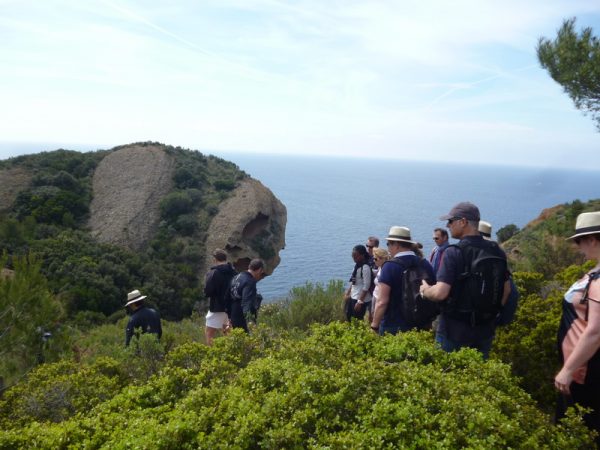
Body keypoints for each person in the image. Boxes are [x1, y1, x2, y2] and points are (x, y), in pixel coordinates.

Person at [420, 202, 511, 359]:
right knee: (477, 377)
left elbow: (441, 293)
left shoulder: (454, 252)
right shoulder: (497, 251)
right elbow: (507, 290)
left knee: (445, 376)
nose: (448, 225)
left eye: (450, 221)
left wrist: (425, 291)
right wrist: (489, 315)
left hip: (454, 330)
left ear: (463, 222)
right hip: (485, 331)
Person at [555, 211, 600, 442]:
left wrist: (568, 370)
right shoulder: (596, 272)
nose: (578, 247)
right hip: (583, 368)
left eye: (579, 241)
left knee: (580, 430)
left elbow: (595, 331)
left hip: (585, 372)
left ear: (592, 239)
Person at [371, 226, 435, 335]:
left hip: (393, 325)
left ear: (396, 245)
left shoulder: (389, 267)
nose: (388, 248)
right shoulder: (425, 264)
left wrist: (374, 326)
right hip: (420, 324)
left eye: (388, 244)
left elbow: (382, 301)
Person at [478, 220, 519, 326]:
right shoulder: (499, 253)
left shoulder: (482, 254)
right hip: (495, 312)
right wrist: (498, 309)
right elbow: (508, 289)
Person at [203, 249, 237, 346]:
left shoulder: (213, 273)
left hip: (217, 306)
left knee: (209, 332)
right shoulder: (234, 271)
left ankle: (212, 352)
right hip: (231, 306)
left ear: (215, 259)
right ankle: (230, 351)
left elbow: (208, 291)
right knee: (227, 330)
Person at [229, 258, 265, 333]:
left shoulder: (237, 277)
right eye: (261, 272)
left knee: (238, 338)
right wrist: (250, 321)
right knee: (248, 341)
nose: (260, 275)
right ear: (259, 270)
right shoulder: (250, 282)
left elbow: (227, 296)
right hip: (242, 317)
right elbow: (246, 303)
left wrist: (229, 317)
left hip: (233, 313)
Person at [344, 245, 372, 322]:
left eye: (356, 256)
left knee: (357, 320)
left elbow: (366, 285)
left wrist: (360, 301)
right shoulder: (357, 266)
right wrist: (348, 292)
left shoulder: (365, 267)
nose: (354, 258)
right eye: (353, 256)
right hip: (354, 295)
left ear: (362, 255)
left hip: (360, 298)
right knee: (349, 316)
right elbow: (354, 281)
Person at [371, 247, 390, 320]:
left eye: (375, 259)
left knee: (378, 318)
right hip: (375, 295)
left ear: (383, 259)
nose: (374, 261)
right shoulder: (380, 268)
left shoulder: (386, 270)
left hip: (380, 298)